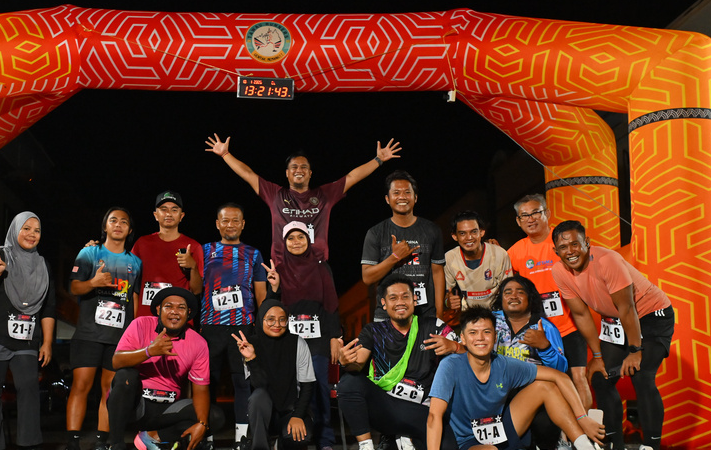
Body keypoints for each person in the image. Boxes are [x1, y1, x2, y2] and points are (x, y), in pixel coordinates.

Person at [408, 307, 624, 450]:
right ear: (463, 339)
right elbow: (434, 415)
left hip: (502, 430)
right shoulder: (451, 365)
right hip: (469, 442)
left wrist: (582, 418)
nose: (480, 338)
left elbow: (560, 377)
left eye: (486, 332)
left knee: (544, 386)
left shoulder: (504, 364)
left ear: (495, 337)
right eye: (473, 333)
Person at [551, 220, 675, 450]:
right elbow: (582, 314)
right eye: (563, 247)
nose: (570, 251)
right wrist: (597, 356)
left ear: (587, 243)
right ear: (556, 251)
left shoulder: (608, 260)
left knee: (641, 375)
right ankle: (616, 448)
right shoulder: (559, 271)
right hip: (616, 320)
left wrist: (635, 351)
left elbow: (627, 307)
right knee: (601, 378)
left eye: (575, 244)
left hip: (651, 315)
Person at [205, 133, 401, 263]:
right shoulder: (275, 194)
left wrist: (378, 160)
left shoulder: (324, 195)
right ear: (287, 173)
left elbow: (352, 177)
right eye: (294, 167)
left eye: (304, 167)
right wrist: (225, 154)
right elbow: (248, 174)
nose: (299, 170)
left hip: (316, 266)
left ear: (310, 173)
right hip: (282, 267)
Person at [336, 274, 462, 450]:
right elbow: (357, 364)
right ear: (384, 304)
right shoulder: (373, 331)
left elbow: (470, 355)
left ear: (415, 300)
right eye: (393, 298)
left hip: (422, 410)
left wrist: (454, 346)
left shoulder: (434, 326)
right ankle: (367, 449)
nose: (400, 302)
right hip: (387, 407)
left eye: (405, 296)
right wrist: (345, 362)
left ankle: (406, 438)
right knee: (349, 382)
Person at [105, 287, 224, 450]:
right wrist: (149, 351)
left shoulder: (198, 342)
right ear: (159, 309)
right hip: (136, 406)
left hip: (167, 409)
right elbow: (117, 361)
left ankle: (152, 438)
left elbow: (200, 388)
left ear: (189, 313)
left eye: (181, 307)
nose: (174, 312)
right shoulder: (140, 324)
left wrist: (202, 424)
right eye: (168, 306)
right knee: (125, 375)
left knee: (214, 417)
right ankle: (116, 449)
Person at [57, 208, 141, 450]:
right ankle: (72, 446)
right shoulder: (89, 254)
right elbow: (74, 287)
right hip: (88, 333)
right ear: (105, 226)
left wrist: (134, 332)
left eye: (124, 222)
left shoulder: (135, 262)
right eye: (113, 220)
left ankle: (102, 444)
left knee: (110, 391)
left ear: (129, 230)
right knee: (80, 386)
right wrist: (94, 282)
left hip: (118, 337)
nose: (118, 225)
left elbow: (134, 299)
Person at [0, 211, 55, 450]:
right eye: (26, 228)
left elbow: (48, 308)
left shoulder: (43, 265)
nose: (32, 234)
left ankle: (28, 446)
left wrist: (47, 342)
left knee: (29, 387)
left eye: (37, 230)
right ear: (15, 230)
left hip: (26, 337)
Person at [265, 222, 343, 450]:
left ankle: (325, 442)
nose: (296, 242)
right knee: (290, 388)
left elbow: (331, 305)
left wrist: (335, 337)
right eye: (291, 238)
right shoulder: (278, 269)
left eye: (301, 237)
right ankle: (289, 439)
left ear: (308, 240)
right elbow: (271, 307)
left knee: (319, 387)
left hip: (318, 338)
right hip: (288, 339)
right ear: (284, 243)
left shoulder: (321, 268)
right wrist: (274, 288)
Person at [507, 194, 592, 410]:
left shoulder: (563, 242)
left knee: (579, 378)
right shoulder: (514, 252)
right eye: (525, 215)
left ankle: (585, 427)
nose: (531, 219)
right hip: (540, 330)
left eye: (536, 213)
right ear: (518, 221)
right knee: (548, 382)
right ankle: (561, 429)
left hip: (570, 326)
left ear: (547, 213)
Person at [199, 203, 268, 450]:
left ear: (243, 224)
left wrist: (260, 328)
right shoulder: (204, 251)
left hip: (242, 327)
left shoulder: (253, 254)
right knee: (208, 383)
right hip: (211, 326)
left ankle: (242, 439)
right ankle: (205, 437)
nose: (230, 225)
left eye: (235, 220)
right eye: (225, 220)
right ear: (217, 224)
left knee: (242, 382)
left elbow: (261, 294)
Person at [234, 300, 316, 450]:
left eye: (282, 319)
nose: (277, 324)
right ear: (260, 320)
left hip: (290, 409)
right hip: (265, 413)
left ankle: (285, 449)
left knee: (302, 436)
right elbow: (259, 384)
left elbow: (307, 386)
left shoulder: (298, 343)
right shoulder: (250, 345)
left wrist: (298, 415)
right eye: (270, 319)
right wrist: (251, 358)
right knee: (258, 397)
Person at [492, 275, 570, 450]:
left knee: (545, 423)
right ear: (501, 298)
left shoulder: (545, 327)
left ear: (530, 298)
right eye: (508, 292)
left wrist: (545, 347)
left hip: (532, 393)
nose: (513, 296)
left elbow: (561, 370)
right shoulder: (490, 321)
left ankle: (554, 445)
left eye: (520, 292)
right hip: (495, 391)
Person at [361, 170, 446, 321]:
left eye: (407, 192)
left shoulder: (432, 230)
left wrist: (439, 314)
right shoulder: (375, 233)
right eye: (396, 193)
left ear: (415, 197)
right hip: (387, 317)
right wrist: (394, 257)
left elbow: (437, 272)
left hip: (424, 315)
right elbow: (367, 277)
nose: (402, 197)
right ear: (387, 199)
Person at [131, 191, 203, 317]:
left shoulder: (193, 246)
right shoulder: (142, 243)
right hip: (145, 318)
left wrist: (193, 266)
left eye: (174, 210)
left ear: (181, 216)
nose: (169, 214)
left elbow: (196, 291)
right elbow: (130, 281)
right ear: (155, 215)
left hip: (176, 319)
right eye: (164, 209)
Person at [444, 210, 513, 312]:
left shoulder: (499, 254)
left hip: (497, 313)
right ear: (455, 236)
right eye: (462, 233)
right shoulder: (449, 258)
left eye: (474, 232)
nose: (469, 238)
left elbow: (509, 290)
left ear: (482, 232)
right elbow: (446, 295)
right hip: (469, 315)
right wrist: (448, 302)